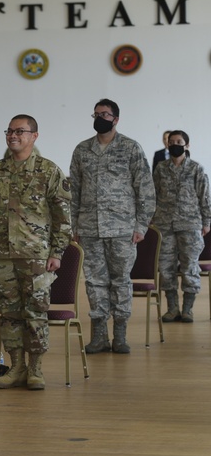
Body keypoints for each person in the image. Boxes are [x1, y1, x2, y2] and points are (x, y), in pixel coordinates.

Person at [0, 114, 72, 390]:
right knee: (9, 313)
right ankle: (17, 365)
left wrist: (57, 251)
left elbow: (63, 216)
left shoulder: (49, 171)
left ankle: (35, 369)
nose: (13, 135)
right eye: (9, 131)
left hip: (36, 255)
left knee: (35, 312)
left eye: (20, 131)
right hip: (3, 255)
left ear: (34, 136)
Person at [70, 98, 155, 355]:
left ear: (115, 119)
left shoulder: (130, 148)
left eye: (105, 114)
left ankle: (120, 334)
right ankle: (98, 335)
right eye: (96, 114)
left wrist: (141, 225)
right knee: (95, 282)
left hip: (123, 229)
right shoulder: (82, 150)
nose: (100, 118)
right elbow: (73, 191)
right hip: (90, 228)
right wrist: (73, 226)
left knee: (120, 281)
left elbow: (145, 189)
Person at [152, 130, 211, 323]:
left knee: (190, 267)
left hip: (190, 224)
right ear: (167, 145)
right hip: (164, 225)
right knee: (166, 267)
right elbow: (153, 196)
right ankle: (172, 309)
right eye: (172, 141)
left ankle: (187, 309)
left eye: (179, 141)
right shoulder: (160, 168)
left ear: (187, 145)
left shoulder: (196, 169)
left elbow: (205, 197)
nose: (175, 144)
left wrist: (206, 222)